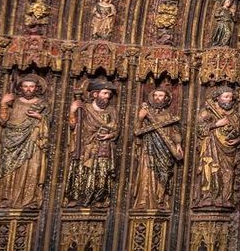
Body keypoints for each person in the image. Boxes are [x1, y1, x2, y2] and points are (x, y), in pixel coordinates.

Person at [0, 74, 50, 209]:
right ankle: (7, 198)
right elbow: (2, 121)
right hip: (11, 142)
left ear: (37, 88)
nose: (28, 89)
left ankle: (29, 200)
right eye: (25, 86)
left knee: (32, 168)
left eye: (31, 87)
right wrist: (3, 104)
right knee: (9, 170)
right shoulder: (14, 102)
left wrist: (40, 117)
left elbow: (50, 124)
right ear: (21, 88)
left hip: (32, 140)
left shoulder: (42, 104)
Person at [64, 80, 120, 208]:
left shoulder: (112, 110)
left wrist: (110, 135)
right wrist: (72, 111)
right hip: (86, 147)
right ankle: (77, 198)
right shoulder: (84, 108)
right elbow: (73, 125)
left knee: (102, 173)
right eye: (105, 93)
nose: (107, 96)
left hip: (103, 146)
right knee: (80, 172)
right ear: (95, 94)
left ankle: (99, 198)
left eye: (109, 94)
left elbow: (117, 129)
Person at [132, 85, 184, 210]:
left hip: (165, 149)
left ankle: (160, 200)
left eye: (160, 95)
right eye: (155, 95)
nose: (157, 98)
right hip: (149, 148)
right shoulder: (146, 113)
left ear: (166, 98)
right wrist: (140, 117)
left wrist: (178, 144)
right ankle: (144, 201)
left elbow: (175, 132)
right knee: (147, 173)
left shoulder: (169, 116)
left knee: (164, 173)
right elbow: (137, 130)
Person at [195, 87, 240, 209]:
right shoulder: (207, 112)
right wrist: (216, 124)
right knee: (210, 170)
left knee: (228, 173)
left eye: (231, 97)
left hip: (228, 149)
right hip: (211, 146)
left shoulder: (234, 115)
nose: (229, 100)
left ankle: (225, 198)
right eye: (225, 97)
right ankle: (208, 197)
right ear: (218, 98)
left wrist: (238, 140)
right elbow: (199, 130)